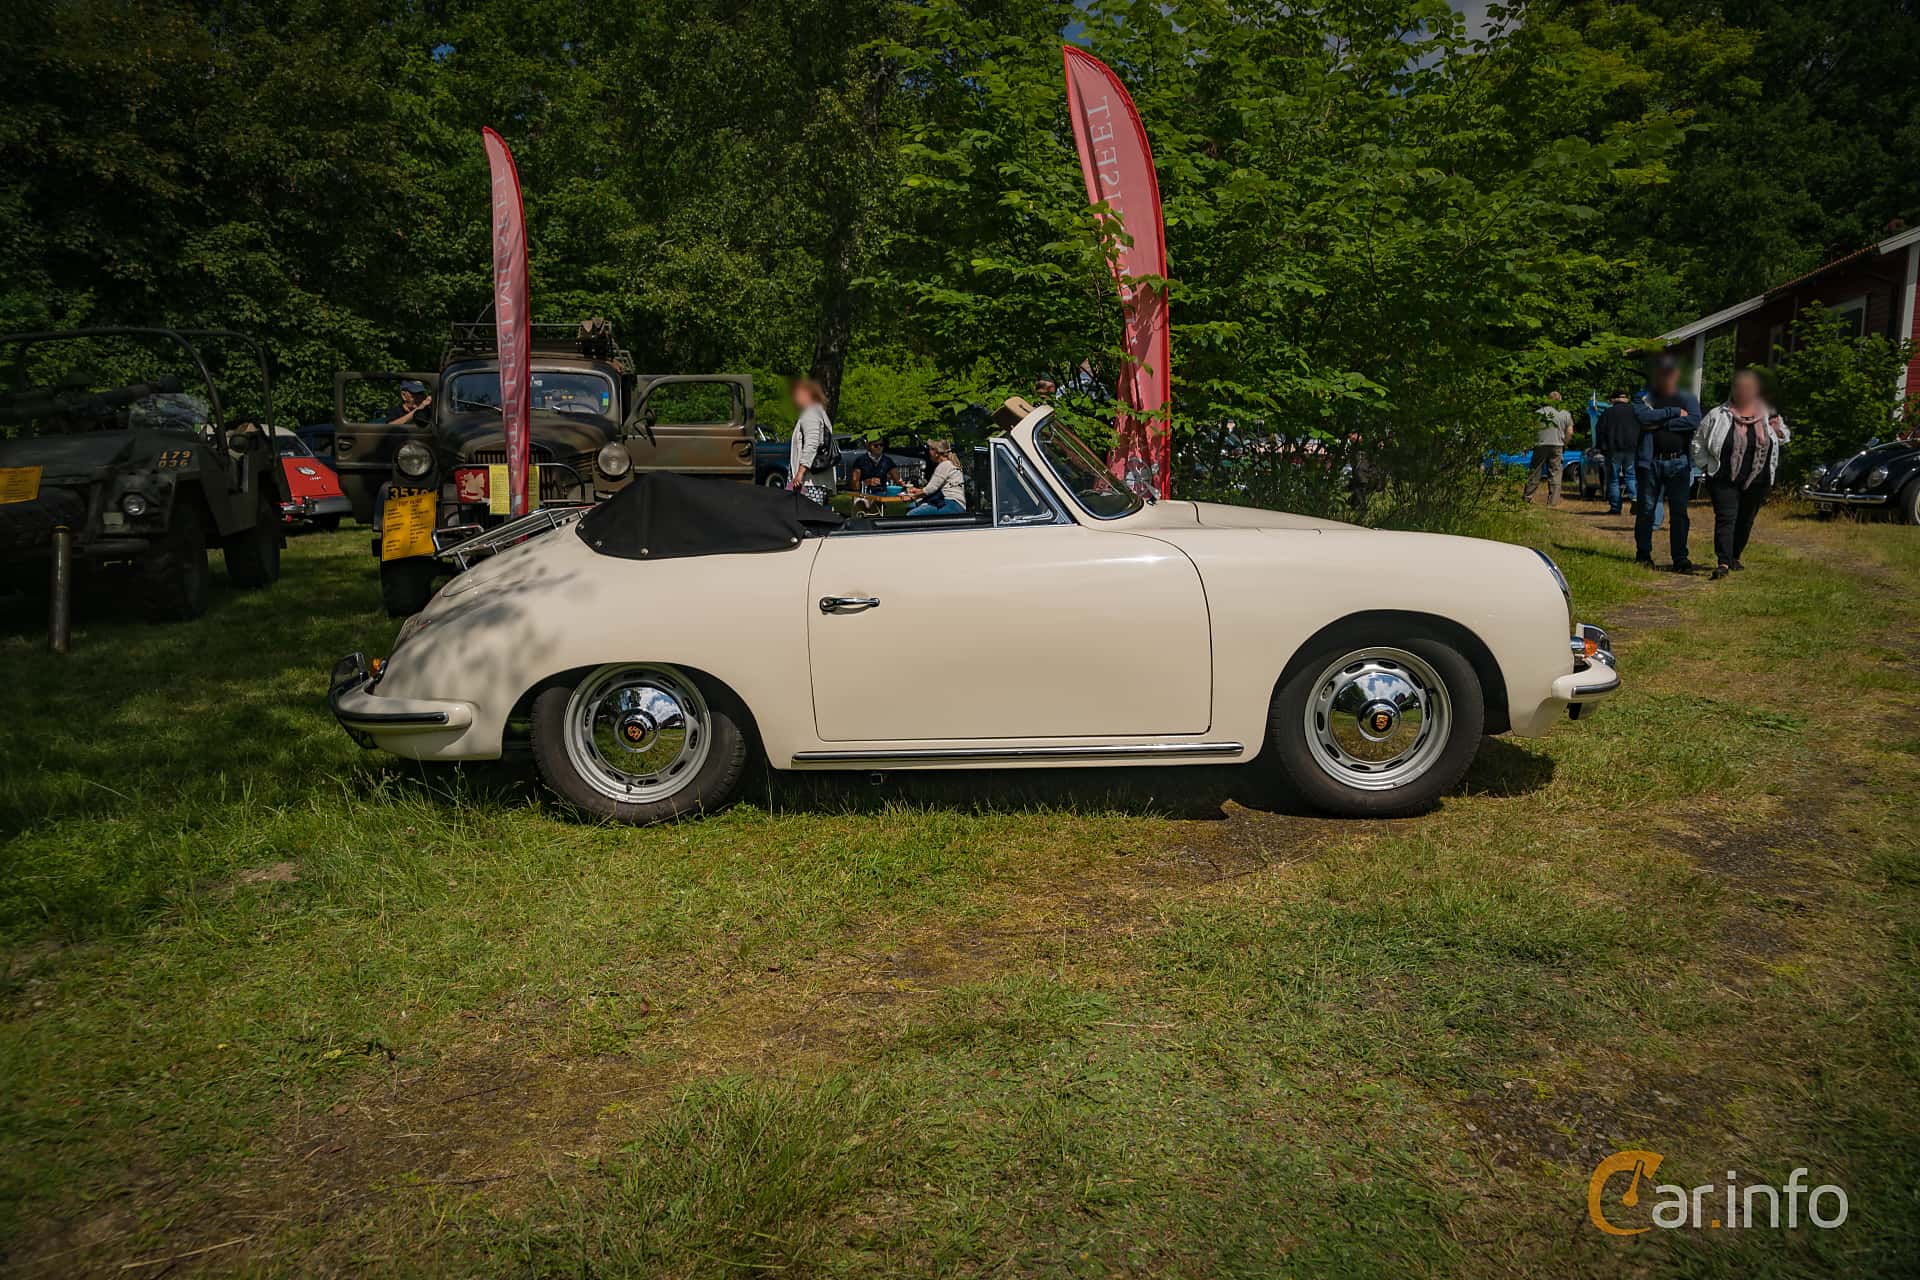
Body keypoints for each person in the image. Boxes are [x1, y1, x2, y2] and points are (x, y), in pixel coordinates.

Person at [1697, 368, 1790, 579]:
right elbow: (1698, 443)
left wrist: (1778, 430)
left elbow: (1783, 437)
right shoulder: (1717, 415)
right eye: (1740, 388)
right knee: (1726, 518)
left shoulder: (1767, 414)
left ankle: (1734, 556)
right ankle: (1723, 562)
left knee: (1746, 519)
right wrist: (1704, 464)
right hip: (1723, 477)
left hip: (1758, 478)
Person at [1632, 358, 1702, 571]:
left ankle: (1680, 558)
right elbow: (1643, 419)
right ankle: (1643, 555)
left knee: (1679, 512)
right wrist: (1672, 413)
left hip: (1678, 462)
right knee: (1646, 510)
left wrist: (1660, 422)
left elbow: (1694, 420)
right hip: (1650, 462)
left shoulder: (1687, 397)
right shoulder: (1643, 397)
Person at [786, 378, 834, 505]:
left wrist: (800, 473)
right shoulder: (819, 412)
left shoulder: (811, 413)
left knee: (807, 517)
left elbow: (812, 444)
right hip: (813, 481)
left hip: (809, 482)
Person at [1593, 388, 1640, 515]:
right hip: (1632, 449)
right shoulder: (1635, 411)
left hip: (1613, 449)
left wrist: (1600, 448)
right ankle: (1635, 497)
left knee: (1613, 479)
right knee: (1631, 475)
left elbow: (1600, 430)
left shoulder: (1608, 412)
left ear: (1613, 400)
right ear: (1626, 399)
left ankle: (1615, 508)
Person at [1522, 391, 1573, 505]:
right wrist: (1565, 443)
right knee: (1555, 473)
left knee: (1535, 471)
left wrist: (1526, 445)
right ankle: (1553, 502)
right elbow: (1570, 432)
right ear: (1560, 400)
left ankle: (1527, 497)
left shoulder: (1539, 412)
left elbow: (1531, 430)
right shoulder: (1565, 414)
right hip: (1557, 446)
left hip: (1540, 445)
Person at [904, 439, 966, 516]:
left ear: (936, 453)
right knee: (911, 506)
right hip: (957, 505)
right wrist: (918, 491)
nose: (928, 452)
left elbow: (930, 489)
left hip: (949, 504)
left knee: (911, 514)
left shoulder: (944, 465)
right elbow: (934, 488)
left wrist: (911, 496)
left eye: (929, 449)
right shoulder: (951, 464)